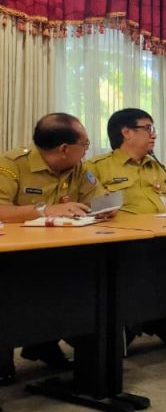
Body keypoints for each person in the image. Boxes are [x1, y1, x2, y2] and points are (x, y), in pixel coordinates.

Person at [0, 113, 102, 384]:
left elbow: (98, 199)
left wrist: (104, 210)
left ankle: (45, 342)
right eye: (85, 144)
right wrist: (44, 210)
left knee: (90, 283)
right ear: (64, 148)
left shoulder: (79, 168)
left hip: (64, 250)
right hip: (13, 255)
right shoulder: (11, 165)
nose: (87, 149)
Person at [85, 108, 166, 346]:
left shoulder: (155, 166)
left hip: (162, 236)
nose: (153, 134)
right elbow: (94, 210)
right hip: (123, 242)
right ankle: (141, 323)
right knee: (147, 269)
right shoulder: (97, 166)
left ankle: (158, 319)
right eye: (148, 128)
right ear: (127, 132)